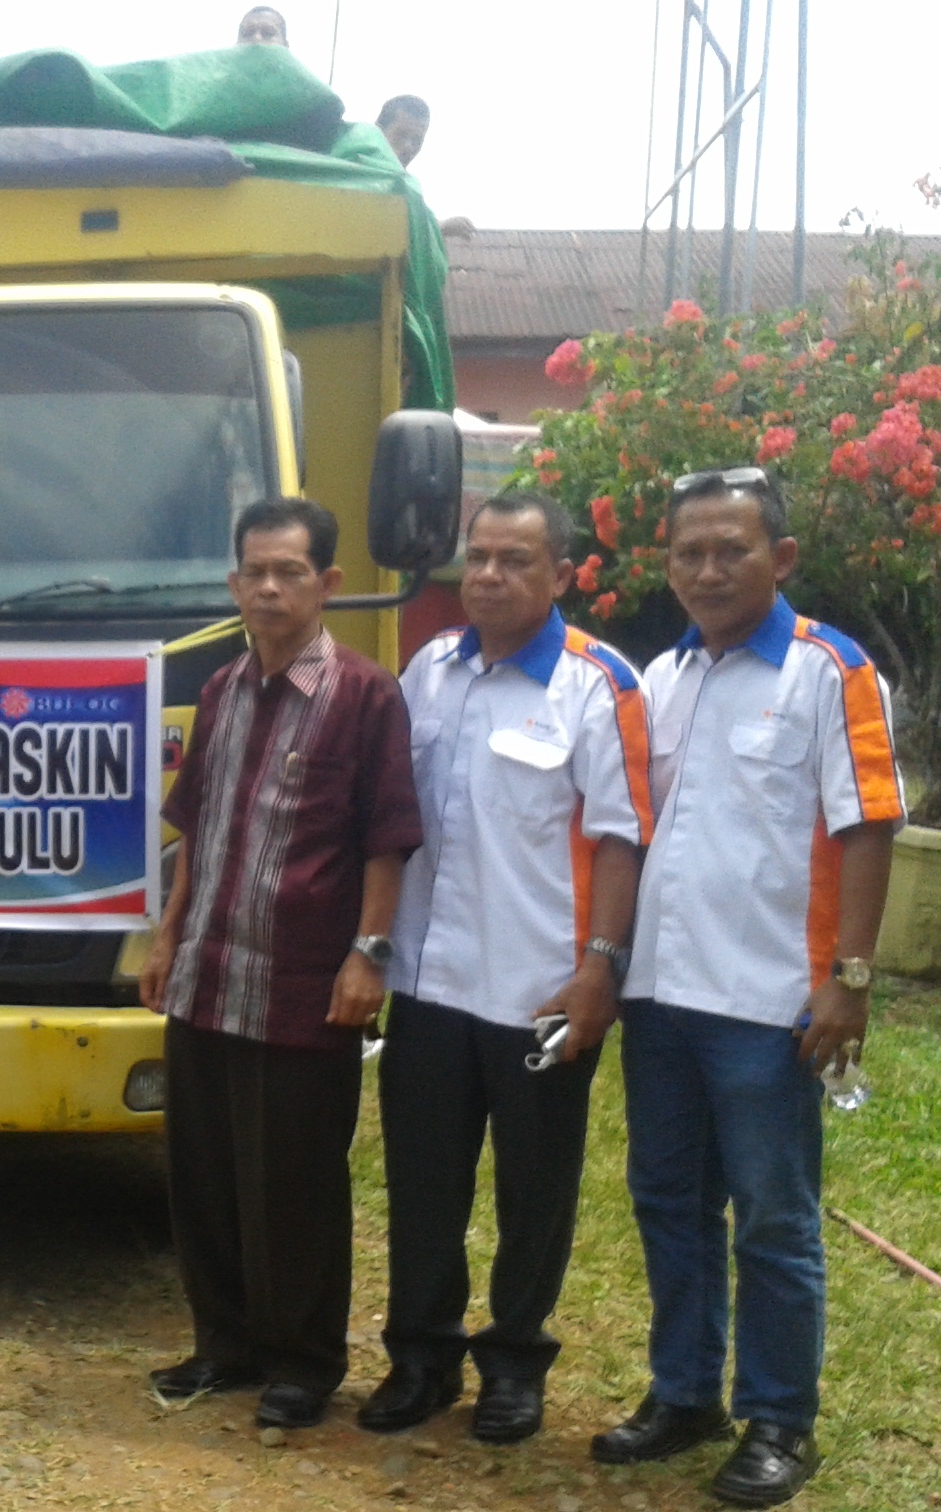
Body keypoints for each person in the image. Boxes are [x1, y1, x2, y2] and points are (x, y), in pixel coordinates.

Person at [596, 467, 901, 1508]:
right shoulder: (664, 679)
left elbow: (868, 823)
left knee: (773, 1216)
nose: (710, 568)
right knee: (668, 1203)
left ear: (782, 558)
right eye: (690, 551)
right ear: (668, 564)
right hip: (662, 999)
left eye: (733, 548)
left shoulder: (830, 671)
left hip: (773, 1007)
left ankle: (781, 1418)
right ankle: (685, 1395)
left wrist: (848, 981)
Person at [364, 493, 651, 1443]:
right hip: (427, 984)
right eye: (477, 557)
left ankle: (514, 1364)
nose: (487, 575)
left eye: (513, 560)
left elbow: (618, 839)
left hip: (539, 991)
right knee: (423, 1183)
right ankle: (420, 1358)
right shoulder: (428, 672)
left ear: (560, 575)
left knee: (534, 1189)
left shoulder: (596, 685)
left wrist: (598, 972)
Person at [137, 496, 422, 1430]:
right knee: (204, 1176)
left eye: (289, 571)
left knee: (293, 1184)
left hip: (303, 985)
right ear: (232, 583)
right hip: (207, 975)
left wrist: (367, 955)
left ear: (327, 584)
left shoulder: (365, 696)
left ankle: (302, 1363)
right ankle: (224, 1345)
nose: (268, 587)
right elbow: (195, 828)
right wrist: (168, 936)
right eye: (254, 571)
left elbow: (386, 842)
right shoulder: (220, 692)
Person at [378, 96, 430, 169]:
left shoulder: (404, 180)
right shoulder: (356, 171)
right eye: (401, 135)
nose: (408, 146)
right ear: (379, 132)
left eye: (416, 141)